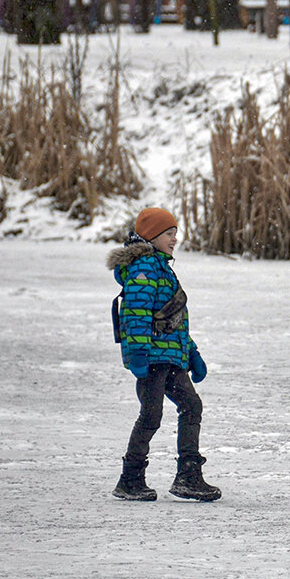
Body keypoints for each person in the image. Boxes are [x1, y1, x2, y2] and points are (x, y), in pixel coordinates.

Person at [108, 207, 221, 502]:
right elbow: (136, 315)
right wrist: (139, 355)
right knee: (151, 416)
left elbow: (174, 320)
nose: (174, 240)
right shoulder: (145, 270)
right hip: (153, 360)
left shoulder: (161, 268)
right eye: (169, 234)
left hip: (170, 358)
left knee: (191, 405)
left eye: (175, 234)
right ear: (153, 236)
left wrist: (191, 353)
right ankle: (130, 478)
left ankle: (188, 475)